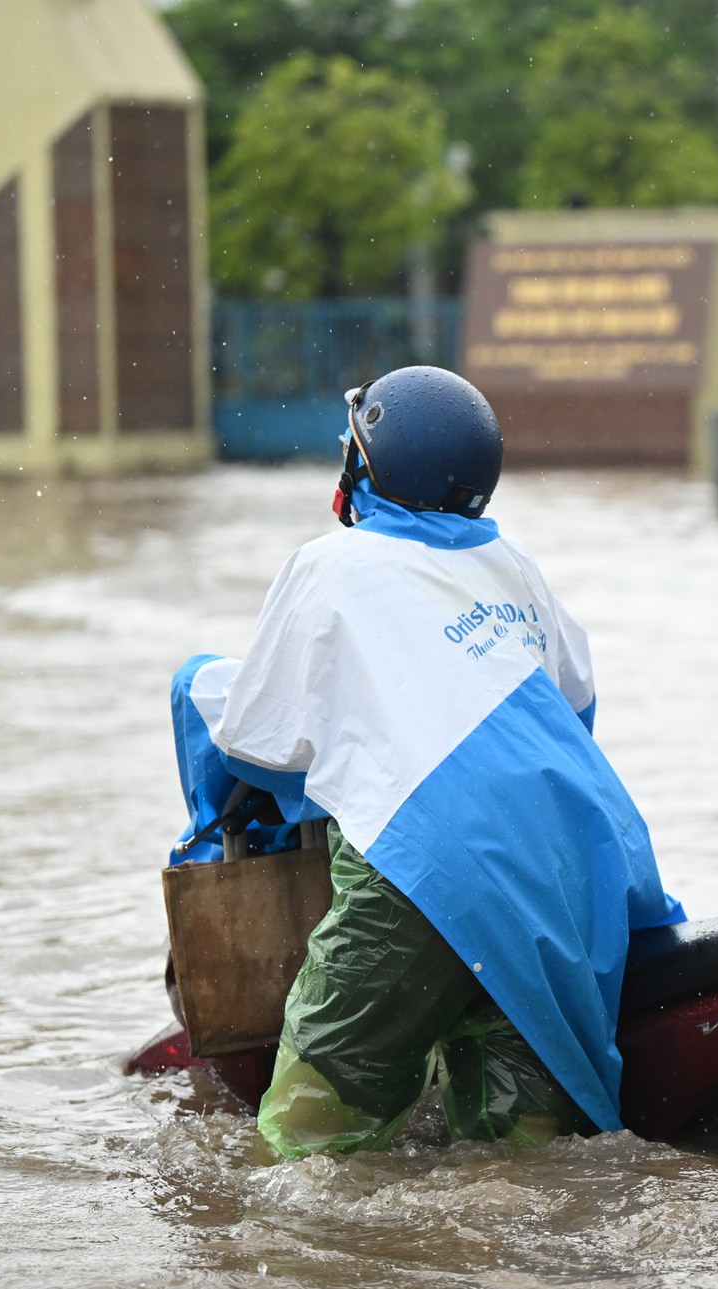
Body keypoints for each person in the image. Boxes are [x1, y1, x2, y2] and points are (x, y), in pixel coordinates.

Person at [200, 365, 684, 1157]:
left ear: (368, 467)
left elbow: (256, 737)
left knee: (305, 1153)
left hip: (423, 875)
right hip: (569, 870)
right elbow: (575, 707)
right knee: (531, 1166)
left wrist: (199, 688)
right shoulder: (514, 566)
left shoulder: (329, 564)